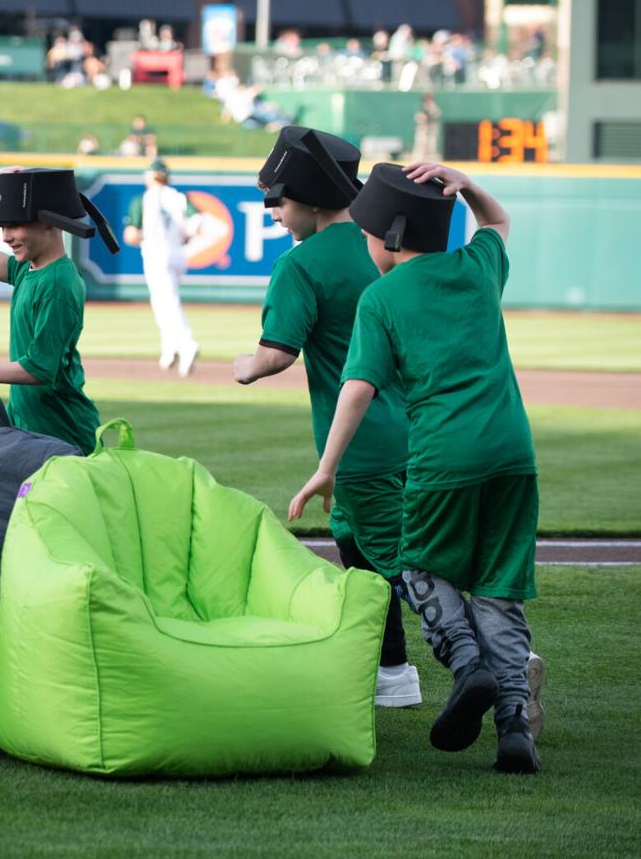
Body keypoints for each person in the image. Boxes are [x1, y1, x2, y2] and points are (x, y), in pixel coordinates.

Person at [289, 161, 545, 775]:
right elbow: (499, 220)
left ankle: (467, 665)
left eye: (371, 234)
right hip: (515, 454)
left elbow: (356, 389)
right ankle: (515, 725)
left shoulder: (382, 297)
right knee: (497, 586)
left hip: (443, 456)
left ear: (392, 237)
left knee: (417, 566)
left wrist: (327, 467)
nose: (368, 244)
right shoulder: (477, 266)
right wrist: (467, 184)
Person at [233, 127, 421, 709]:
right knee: (365, 552)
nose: (278, 215)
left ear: (310, 201)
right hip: (416, 430)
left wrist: (244, 366)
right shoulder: (382, 247)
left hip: (359, 442)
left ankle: (487, 659)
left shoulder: (301, 265)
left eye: (281, 203)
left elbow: (276, 354)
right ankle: (391, 669)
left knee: (390, 568)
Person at [0, 167, 119, 453]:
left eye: (15, 225)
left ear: (49, 222)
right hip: (30, 429)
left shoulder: (57, 283)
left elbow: (40, 368)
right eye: (2, 227)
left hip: (62, 434)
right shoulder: (27, 270)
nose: (5, 236)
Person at [123, 159, 200, 375]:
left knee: (167, 302)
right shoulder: (178, 196)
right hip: (178, 253)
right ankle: (169, 350)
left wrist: (140, 235)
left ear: (151, 176)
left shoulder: (143, 199)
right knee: (162, 301)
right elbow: (197, 221)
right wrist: (187, 234)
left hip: (156, 253)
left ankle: (187, 344)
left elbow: (131, 235)